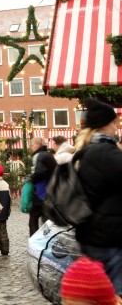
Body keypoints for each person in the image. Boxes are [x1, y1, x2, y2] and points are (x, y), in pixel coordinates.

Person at [72, 99, 122, 297]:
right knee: (114, 293)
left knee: (100, 293)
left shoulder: (86, 151)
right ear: (105, 124)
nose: (117, 126)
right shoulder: (105, 153)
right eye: (115, 122)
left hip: (92, 232)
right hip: (108, 236)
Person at [29, 137, 57, 236]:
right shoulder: (49, 155)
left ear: (36, 145)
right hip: (50, 192)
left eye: (31, 145)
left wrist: (31, 179)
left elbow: (40, 172)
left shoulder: (38, 156)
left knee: (33, 219)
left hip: (41, 193)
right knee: (47, 219)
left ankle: (35, 241)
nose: (31, 148)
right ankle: (47, 239)